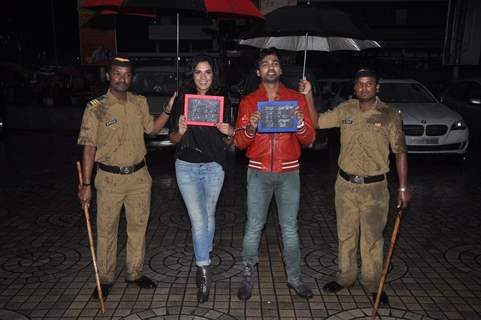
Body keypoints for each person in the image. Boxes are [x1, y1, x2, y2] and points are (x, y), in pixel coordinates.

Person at [300, 68, 411, 306]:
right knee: (346, 235)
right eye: (360, 84)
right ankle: (345, 277)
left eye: (369, 84)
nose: (364, 88)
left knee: (371, 239)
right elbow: (317, 122)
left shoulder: (389, 115)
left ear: (377, 87)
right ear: (354, 87)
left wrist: (402, 188)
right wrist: (308, 95)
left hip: (375, 189)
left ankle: (372, 284)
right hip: (345, 185)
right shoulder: (345, 109)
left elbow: (400, 152)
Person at [78, 56, 175, 299]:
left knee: (138, 228)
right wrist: (86, 184)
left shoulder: (139, 102)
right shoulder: (96, 107)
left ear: (132, 78)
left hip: (139, 177)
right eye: (117, 73)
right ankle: (106, 278)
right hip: (109, 179)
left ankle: (134, 272)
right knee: (107, 230)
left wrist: (167, 110)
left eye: (127, 74)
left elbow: (151, 129)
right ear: (109, 76)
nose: (122, 78)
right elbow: (89, 147)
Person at [234, 48, 316, 301]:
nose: (271, 67)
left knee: (289, 228)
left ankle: (294, 277)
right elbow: (238, 142)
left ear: (280, 70)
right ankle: (247, 275)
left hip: (289, 172)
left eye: (275, 63)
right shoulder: (249, 101)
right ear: (259, 71)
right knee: (254, 227)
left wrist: (301, 123)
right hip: (258, 173)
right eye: (266, 64)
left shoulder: (296, 99)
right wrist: (250, 127)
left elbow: (310, 139)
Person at [169, 55, 234, 303]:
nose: (203, 77)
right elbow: (173, 139)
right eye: (198, 72)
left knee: (209, 216)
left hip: (214, 167)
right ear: (192, 75)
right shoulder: (183, 101)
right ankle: (203, 269)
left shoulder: (223, 101)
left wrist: (229, 131)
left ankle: (203, 252)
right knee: (198, 221)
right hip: (186, 166)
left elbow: (230, 141)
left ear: (213, 75)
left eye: (207, 72)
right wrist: (181, 130)